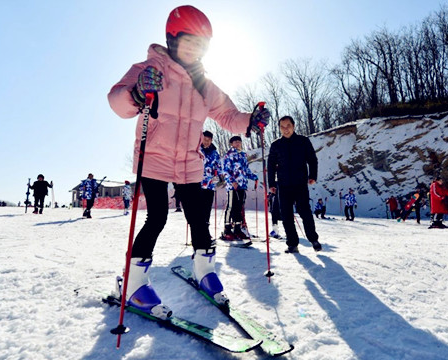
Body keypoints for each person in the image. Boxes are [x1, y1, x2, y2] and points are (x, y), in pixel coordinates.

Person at [107, 5, 270, 318]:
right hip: (153, 158)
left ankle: (204, 271)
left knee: (198, 216)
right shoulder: (150, 69)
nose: (195, 50)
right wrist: (138, 91)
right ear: (172, 39)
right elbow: (117, 100)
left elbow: (228, 115)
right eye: (189, 41)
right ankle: (134, 282)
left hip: (189, 163)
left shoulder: (204, 84)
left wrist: (251, 120)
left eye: (201, 45)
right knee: (157, 217)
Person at [268, 115, 321, 253]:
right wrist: (272, 183)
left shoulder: (303, 141)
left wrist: (312, 176)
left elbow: (312, 159)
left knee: (305, 212)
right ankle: (292, 243)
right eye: (282, 127)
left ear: (294, 126)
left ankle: (313, 239)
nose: (285, 129)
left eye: (288, 126)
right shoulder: (276, 145)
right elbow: (271, 165)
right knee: (286, 215)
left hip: (300, 183)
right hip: (283, 185)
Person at [222, 136, 258, 240]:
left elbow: (246, 170)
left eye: (239, 141)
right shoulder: (229, 155)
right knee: (231, 207)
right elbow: (226, 170)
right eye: (235, 142)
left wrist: (254, 177)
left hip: (242, 185)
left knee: (239, 207)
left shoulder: (243, 155)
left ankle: (237, 229)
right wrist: (232, 181)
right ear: (231, 144)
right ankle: (227, 229)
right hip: (233, 186)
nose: (237, 143)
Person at [200, 130, 222, 228]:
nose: (206, 141)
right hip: (198, 184)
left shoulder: (214, 153)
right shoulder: (197, 150)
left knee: (207, 208)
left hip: (210, 185)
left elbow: (219, 167)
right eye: (205, 139)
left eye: (209, 140)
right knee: (198, 208)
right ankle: (197, 232)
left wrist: (217, 179)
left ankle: (206, 231)